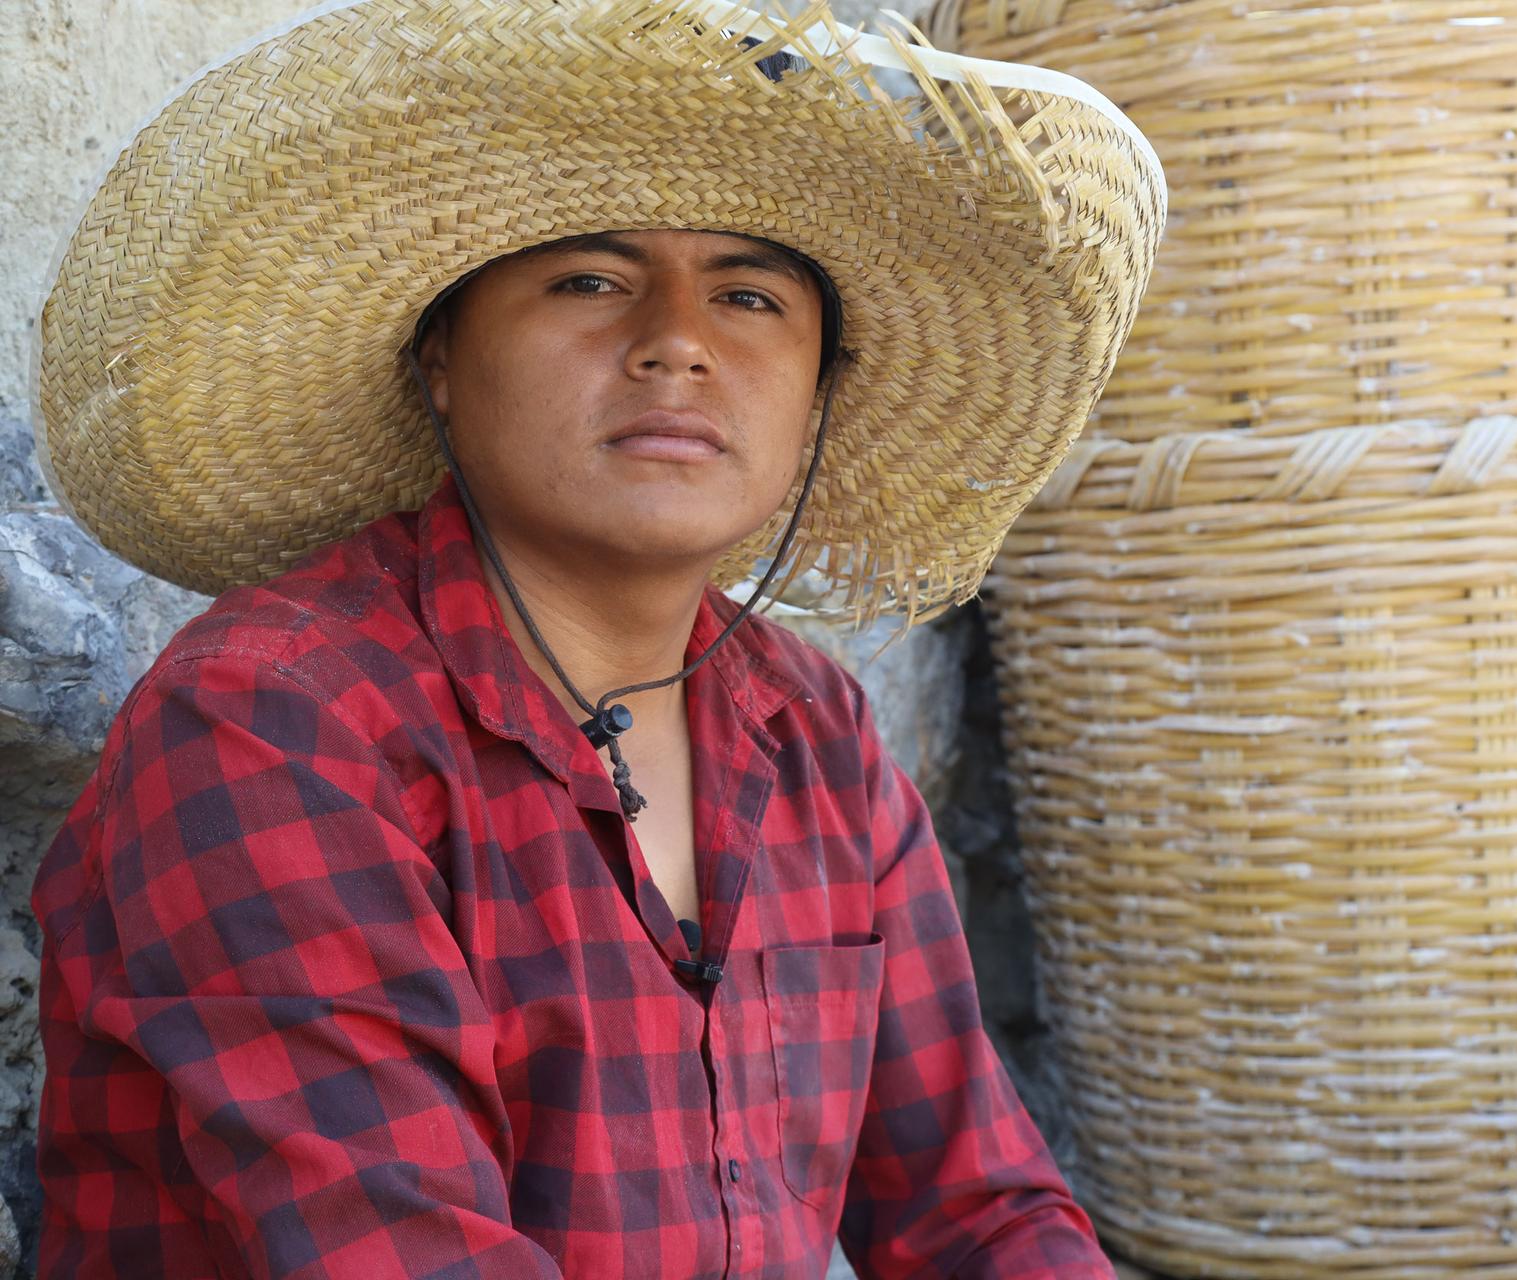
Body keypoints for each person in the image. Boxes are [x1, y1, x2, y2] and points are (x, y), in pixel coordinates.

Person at [29, 0, 1163, 1276]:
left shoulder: (818, 737)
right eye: (589, 279)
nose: (678, 341)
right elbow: (405, 1254)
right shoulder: (273, 721)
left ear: (813, 400)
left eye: (749, 294)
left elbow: (980, 1209)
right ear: (440, 358)